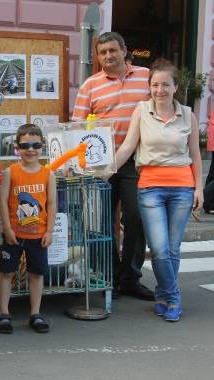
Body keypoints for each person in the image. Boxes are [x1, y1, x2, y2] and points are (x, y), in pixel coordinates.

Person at [115, 59, 203, 322]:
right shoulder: (141, 111)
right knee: (160, 249)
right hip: (150, 187)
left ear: (176, 86)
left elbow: (196, 156)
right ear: (149, 87)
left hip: (182, 188)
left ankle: (164, 296)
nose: (159, 89)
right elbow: (128, 147)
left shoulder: (188, 114)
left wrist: (199, 189)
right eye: (154, 84)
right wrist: (106, 169)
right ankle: (173, 296)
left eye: (165, 84)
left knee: (173, 250)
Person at [72, 32, 153, 300]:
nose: (108, 56)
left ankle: (129, 278)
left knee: (136, 217)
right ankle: (110, 275)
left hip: (134, 161)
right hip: (100, 162)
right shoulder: (90, 85)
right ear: (97, 56)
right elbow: (77, 126)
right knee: (103, 222)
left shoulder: (145, 77)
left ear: (124, 50)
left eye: (112, 51)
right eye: (103, 52)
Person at [0, 124, 56, 334]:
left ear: (42, 146)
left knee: (36, 274)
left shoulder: (48, 174)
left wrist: (49, 231)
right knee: (6, 273)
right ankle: (4, 313)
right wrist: (7, 228)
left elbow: (51, 204)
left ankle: (35, 313)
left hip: (38, 236)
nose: (31, 149)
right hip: (14, 235)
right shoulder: (10, 172)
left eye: (36, 145)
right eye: (25, 145)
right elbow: (2, 201)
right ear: (17, 147)